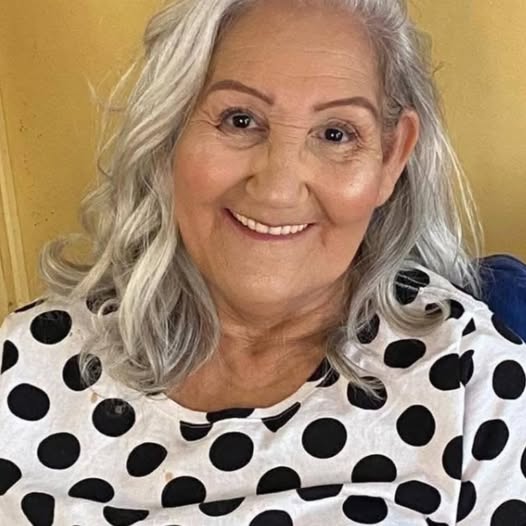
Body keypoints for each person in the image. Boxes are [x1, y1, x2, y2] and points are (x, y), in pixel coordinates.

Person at [1, 0, 525, 524]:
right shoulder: (24, 362)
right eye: (241, 120)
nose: (277, 190)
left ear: (392, 157)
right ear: (170, 132)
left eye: (336, 134)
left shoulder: (474, 383)